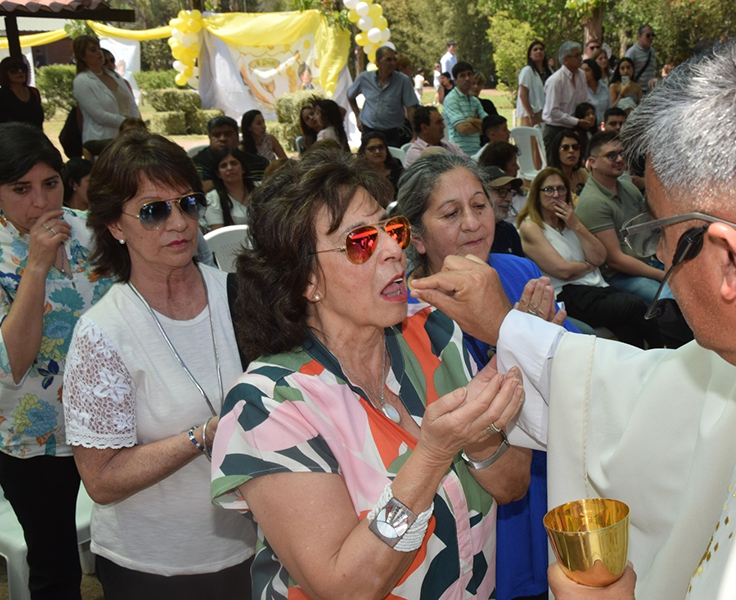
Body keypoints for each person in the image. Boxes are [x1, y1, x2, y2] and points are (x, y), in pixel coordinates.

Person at [410, 29, 736, 600]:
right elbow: (650, 391)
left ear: (728, 261)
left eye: (663, 234)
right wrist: (508, 328)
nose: (660, 258)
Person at [210, 151, 529, 599]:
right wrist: (433, 455)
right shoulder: (268, 405)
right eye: (361, 242)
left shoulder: (435, 332)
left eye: (392, 230)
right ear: (306, 280)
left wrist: (478, 438)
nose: (393, 250)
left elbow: (513, 486)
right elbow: (348, 587)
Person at [62, 131, 256, 599]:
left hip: (250, 548)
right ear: (115, 226)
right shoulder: (103, 332)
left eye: (188, 204)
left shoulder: (237, 295)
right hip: (151, 566)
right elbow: (102, 480)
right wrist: (200, 437)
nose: (180, 223)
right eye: (154, 210)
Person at [397, 153, 581, 600]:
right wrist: (516, 340)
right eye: (451, 213)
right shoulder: (405, 310)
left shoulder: (518, 272)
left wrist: (541, 340)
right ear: (416, 238)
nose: (473, 223)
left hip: (540, 470)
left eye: (480, 206)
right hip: (478, 492)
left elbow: (579, 365)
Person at [0, 122, 112, 600]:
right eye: (21, 190)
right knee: (55, 568)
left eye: (51, 183)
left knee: (121, 549)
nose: (42, 202)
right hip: (34, 438)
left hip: (111, 420)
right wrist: (37, 266)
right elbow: (12, 365)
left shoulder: (93, 231)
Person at [517, 167, 662, 349]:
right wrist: (589, 264)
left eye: (561, 189)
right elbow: (563, 271)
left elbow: (600, 256)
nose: (556, 194)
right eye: (548, 190)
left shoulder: (570, 221)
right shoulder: (531, 226)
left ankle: (642, 367)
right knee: (634, 305)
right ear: (536, 194)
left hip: (596, 288)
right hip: (568, 295)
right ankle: (665, 350)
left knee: (628, 330)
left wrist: (575, 224)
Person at [574, 131, 668, 305]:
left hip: (648, 261)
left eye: (622, 154)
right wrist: (663, 275)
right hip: (619, 275)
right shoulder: (593, 202)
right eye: (611, 155)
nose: (619, 159)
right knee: (669, 300)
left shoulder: (627, 187)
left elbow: (649, 230)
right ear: (592, 162)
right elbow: (615, 260)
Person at [71, 35, 140, 145]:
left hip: (128, 137)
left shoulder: (114, 75)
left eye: (99, 48)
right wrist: (126, 123)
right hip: (102, 140)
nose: (99, 53)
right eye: (93, 50)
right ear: (82, 56)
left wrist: (136, 125)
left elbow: (131, 103)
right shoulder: (81, 80)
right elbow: (98, 115)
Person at [347, 46, 418, 148]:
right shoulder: (364, 78)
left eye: (394, 60)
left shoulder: (403, 81)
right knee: (369, 161)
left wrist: (415, 135)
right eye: (388, 60)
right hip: (369, 130)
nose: (393, 63)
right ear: (378, 61)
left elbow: (411, 108)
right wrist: (357, 116)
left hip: (393, 132)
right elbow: (350, 95)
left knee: (392, 161)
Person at [192, 115, 268, 192]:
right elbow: (199, 190)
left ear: (237, 137)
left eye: (228, 134)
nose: (223, 139)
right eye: (217, 135)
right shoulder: (197, 163)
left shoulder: (259, 163)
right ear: (210, 137)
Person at [541, 42, 593, 148]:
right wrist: (576, 121)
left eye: (580, 55)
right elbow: (553, 112)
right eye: (576, 56)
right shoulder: (555, 80)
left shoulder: (581, 75)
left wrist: (589, 116)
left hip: (576, 128)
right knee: (554, 164)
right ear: (565, 59)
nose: (580, 59)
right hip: (556, 129)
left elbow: (585, 101)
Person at [443, 61, 488, 156]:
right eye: (462, 76)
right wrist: (480, 127)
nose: (467, 78)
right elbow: (463, 128)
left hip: (476, 152)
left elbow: (489, 124)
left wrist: (471, 120)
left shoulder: (474, 100)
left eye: (469, 74)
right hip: (458, 153)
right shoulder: (451, 99)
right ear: (455, 80)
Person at [206, 147, 257, 229]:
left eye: (234, 163)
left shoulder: (260, 189)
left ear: (243, 169)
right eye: (224, 166)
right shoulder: (213, 198)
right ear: (218, 174)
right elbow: (218, 235)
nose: (230, 168)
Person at [485, 166, 525, 257]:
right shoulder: (471, 233)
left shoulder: (508, 231)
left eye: (510, 191)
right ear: (482, 193)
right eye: (501, 191)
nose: (509, 198)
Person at [0, 56, 43, 129]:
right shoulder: (2, 95)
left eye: (23, 69)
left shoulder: (34, 92)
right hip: (12, 138)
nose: (20, 72)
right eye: (14, 70)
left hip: (36, 137)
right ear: (5, 73)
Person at [358, 130, 404, 198]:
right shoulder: (360, 176)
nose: (377, 151)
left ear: (386, 151)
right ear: (364, 153)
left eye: (381, 147)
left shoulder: (397, 170)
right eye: (371, 149)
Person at [517, 40, 551, 128]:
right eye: (535, 50)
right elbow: (523, 95)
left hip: (547, 115)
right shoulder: (527, 71)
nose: (538, 51)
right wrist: (531, 115)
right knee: (531, 141)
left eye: (541, 49)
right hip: (531, 116)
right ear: (530, 55)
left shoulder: (550, 71)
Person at [547, 129, 589, 198]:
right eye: (565, 148)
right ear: (556, 152)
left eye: (575, 147)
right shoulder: (549, 176)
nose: (571, 151)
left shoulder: (581, 173)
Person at [624, 24, 657, 93]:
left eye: (652, 35)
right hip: (637, 91)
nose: (651, 38)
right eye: (648, 35)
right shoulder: (632, 52)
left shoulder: (652, 51)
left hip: (651, 91)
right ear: (639, 36)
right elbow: (625, 72)